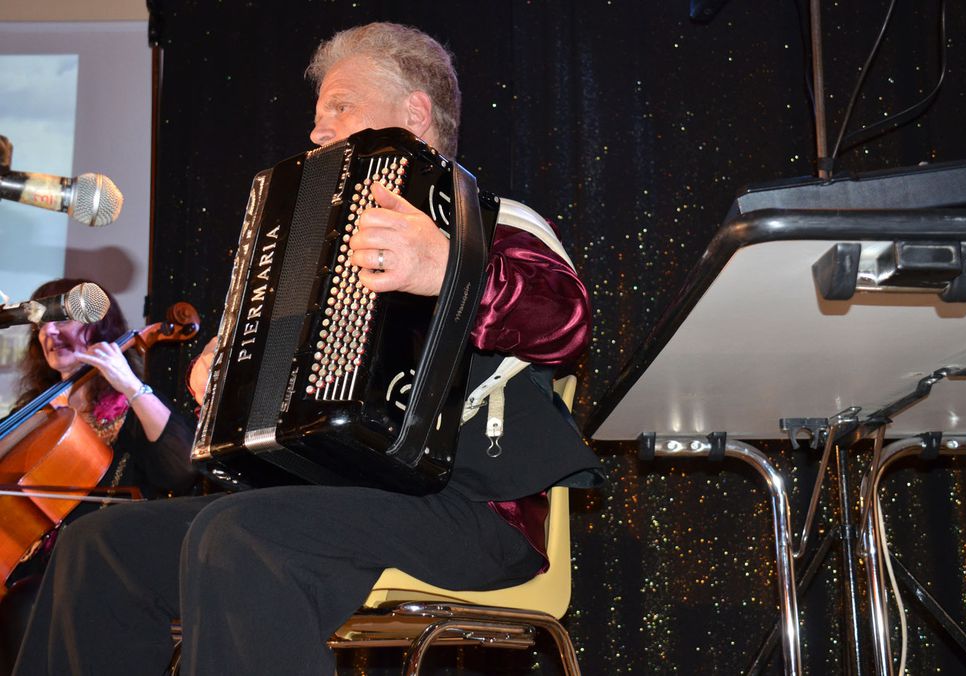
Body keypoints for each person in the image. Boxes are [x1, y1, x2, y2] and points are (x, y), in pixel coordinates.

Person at [13, 23, 602, 675]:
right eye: (317, 119)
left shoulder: (492, 220)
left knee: (238, 534)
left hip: (473, 515)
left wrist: (449, 271)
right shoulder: (311, 256)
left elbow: (566, 321)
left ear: (415, 111)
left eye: (340, 109)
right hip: (335, 503)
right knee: (97, 544)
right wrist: (229, 383)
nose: (318, 134)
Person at [0, 278, 196, 675]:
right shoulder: (34, 413)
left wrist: (132, 385)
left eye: (62, 318)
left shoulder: (132, 408)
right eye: (41, 324)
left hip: (106, 567)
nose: (49, 332)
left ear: (99, 328)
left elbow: (182, 470)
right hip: (31, 566)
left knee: (28, 603)